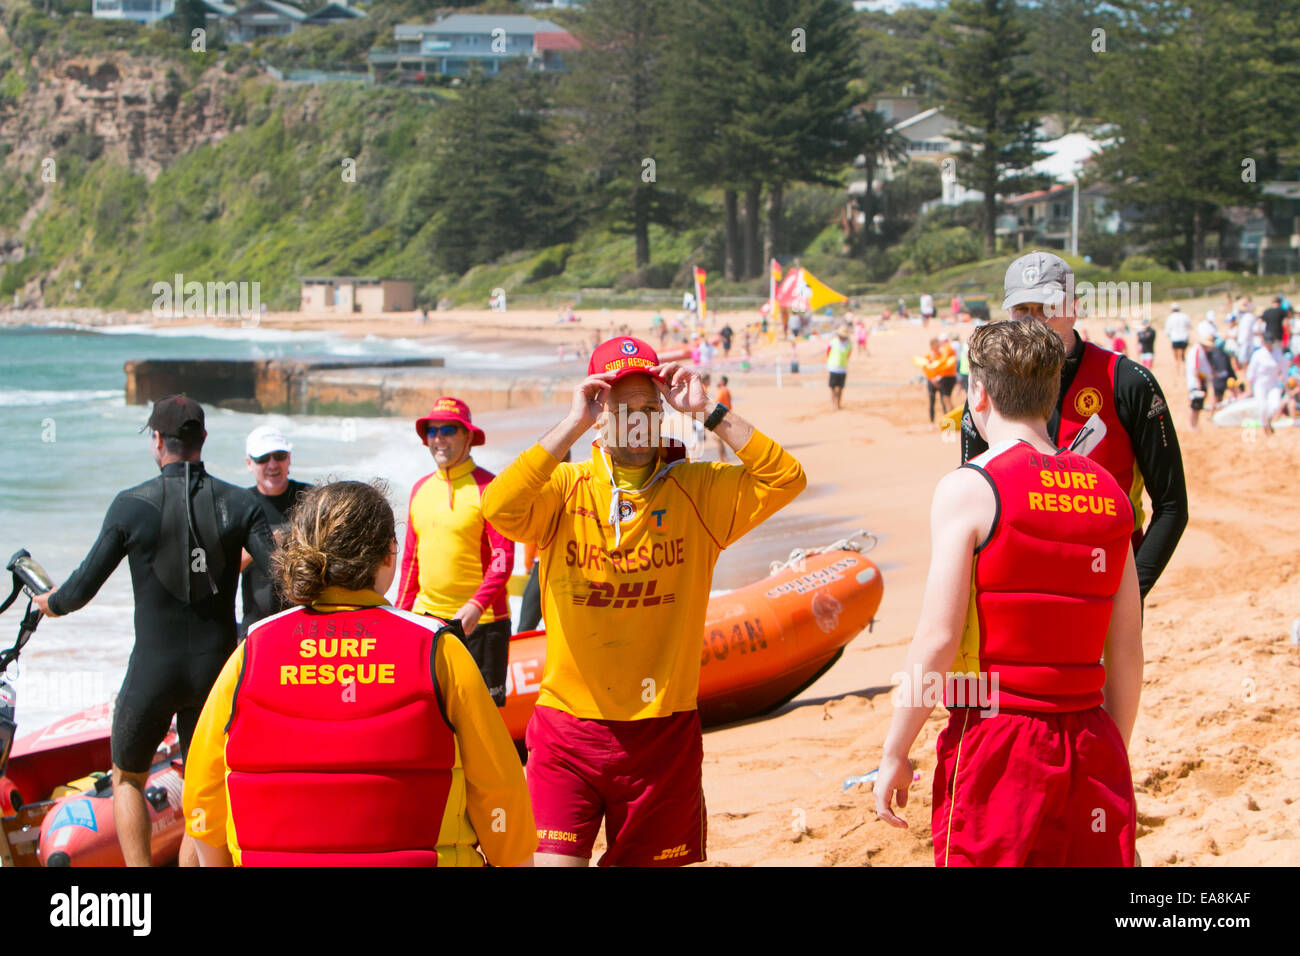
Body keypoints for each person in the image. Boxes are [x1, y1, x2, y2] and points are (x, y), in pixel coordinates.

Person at [480, 336, 805, 867]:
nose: (637, 420)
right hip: (567, 732)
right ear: (599, 412)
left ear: (663, 414)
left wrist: (709, 410)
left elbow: (786, 477)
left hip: (662, 738)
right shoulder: (565, 488)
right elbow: (499, 508)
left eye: (649, 408)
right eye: (621, 407)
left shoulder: (698, 491)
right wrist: (572, 424)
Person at [877, 319, 1142, 866]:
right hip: (1092, 736)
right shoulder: (1111, 494)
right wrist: (1112, 746)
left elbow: (938, 638)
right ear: (1052, 394)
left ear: (978, 393)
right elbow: (1127, 649)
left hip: (996, 738)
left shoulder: (970, 488)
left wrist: (895, 751)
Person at [182, 480, 535, 867]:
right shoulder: (437, 650)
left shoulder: (251, 651)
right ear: (388, 555)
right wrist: (512, 859)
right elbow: (499, 790)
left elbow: (202, 792)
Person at [32, 396, 274, 867]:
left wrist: (50, 603)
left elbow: (78, 592)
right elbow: (287, 576)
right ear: (203, 440)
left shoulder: (131, 505)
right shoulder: (240, 504)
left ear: (157, 441)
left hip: (151, 674)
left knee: (128, 778)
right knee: (207, 780)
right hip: (215, 673)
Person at [959, 251, 1188, 602]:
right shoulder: (986, 387)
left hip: (1105, 585)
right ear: (1008, 313)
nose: (1035, 322)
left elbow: (1172, 505)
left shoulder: (1127, 381)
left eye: (1048, 307)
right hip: (1018, 590)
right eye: (1023, 310)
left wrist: (1129, 595)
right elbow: (969, 500)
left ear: (1075, 307)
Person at [396, 398, 514, 706]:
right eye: (432, 431)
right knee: (430, 713)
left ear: (468, 436)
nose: (438, 438)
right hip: (427, 620)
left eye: (448, 429)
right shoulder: (420, 489)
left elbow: (503, 558)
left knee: (483, 720)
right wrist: (399, 615)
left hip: (483, 623)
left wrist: (477, 605)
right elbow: (410, 563)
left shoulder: (490, 488)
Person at [238, 426, 311, 638]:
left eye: (279, 456)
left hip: (306, 621)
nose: (272, 465)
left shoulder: (312, 498)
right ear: (249, 464)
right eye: (262, 458)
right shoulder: (240, 504)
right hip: (257, 624)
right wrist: (263, 544)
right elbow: (221, 570)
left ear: (289, 459)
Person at [1245, 332, 1285, 435]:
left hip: (1273, 384)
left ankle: (1267, 422)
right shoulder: (1258, 355)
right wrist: (1249, 388)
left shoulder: (1278, 354)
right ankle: (1265, 426)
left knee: (1275, 406)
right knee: (1262, 407)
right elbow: (1250, 373)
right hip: (1260, 385)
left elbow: (1284, 370)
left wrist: (1285, 384)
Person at [919, 336, 958, 423]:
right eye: (936, 345)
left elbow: (943, 367)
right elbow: (926, 369)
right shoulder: (928, 356)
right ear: (932, 346)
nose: (938, 347)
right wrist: (932, 379)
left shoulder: (942, 355)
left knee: (944, 400)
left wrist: (939, 377)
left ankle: (947, 421)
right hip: (932, 381)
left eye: (938, 345)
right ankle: (932, 423)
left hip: (940, 380)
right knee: (932, 401)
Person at [1186, 331, 1214, 431]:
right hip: (1197, 382)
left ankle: (1195, 425)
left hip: (1201, 381)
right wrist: (1198, 382)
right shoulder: (1197, 350)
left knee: (1198, 406)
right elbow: (1195, 368)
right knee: (1195, 405)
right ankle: (1192, 426)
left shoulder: (1201, 351)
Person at [827, 324, 852, 411]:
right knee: (832, 387)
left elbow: (849, 354)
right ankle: (833, 404)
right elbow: (828, 351)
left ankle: (838, 403)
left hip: (843, 368)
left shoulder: (848, 343)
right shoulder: (833, 341)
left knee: (840, 387)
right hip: (833, 367)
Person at [714, 376, 734, 462]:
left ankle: (722, 458)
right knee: (719, 438)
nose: (717, 381)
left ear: (722, 381)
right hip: (724, 414)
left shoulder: (722, 390)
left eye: (719, 380)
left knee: (717, 439)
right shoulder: (725, 390)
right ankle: (724, 457)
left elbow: (715, 403)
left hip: (720, 415)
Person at [1164, 303, 1190, 369]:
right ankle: (1183, 366)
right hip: (1184, 337)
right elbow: (1189, 326)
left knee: (1175, 355)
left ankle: (1177, 367)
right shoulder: (1184, 316)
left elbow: (1168, 328)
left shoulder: (1170, 317)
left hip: (1174, 338)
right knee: (1182, 355)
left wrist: (1167, 335)